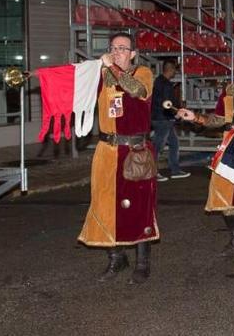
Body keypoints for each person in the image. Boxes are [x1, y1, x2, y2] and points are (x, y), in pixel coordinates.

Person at [78, 32, 158, 284]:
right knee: (103, 205)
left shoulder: (143, 73)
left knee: (139, 207)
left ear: (133, 54)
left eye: (122, 48)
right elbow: (75, 82)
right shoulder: (101, 76)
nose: (116, 52)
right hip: (106, 151)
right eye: (113, 48)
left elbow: (137, 91)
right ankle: (116, 257)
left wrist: (111, 66)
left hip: (135, 152)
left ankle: (142, 263)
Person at [176, 49, 234, 258]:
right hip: (229, 145)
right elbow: (218, 119)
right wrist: (196, 118)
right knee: (224, 195)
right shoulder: (229, 90)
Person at [151, 60, 189, 181]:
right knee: (158, 146)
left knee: (173, 143)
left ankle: (175, 170)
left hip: (158, 117)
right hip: (164, 119)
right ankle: (153, 172)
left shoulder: (157, 81)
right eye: (174, 70)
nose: (175, 72)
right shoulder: (166, 84)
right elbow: (168, 104)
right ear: (171, 69)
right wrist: (175, 115)